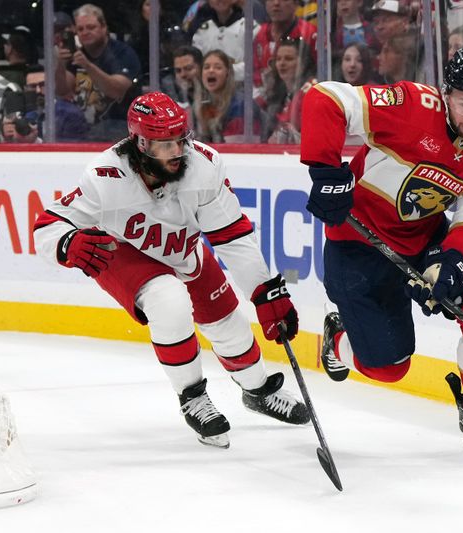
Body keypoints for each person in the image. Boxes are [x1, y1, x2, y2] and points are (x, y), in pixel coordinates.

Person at [33, 92, 309, 449]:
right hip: (122, 253)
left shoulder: (204, 166)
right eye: (164, 145)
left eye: (180, 140)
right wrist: (68, 243)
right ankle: (193, 397)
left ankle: (256, 390)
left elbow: (232, 237)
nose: (177, 152)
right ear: (140, 143)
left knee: (229, 325)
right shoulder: (105, 176)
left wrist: (265, 291)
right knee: (169, 299)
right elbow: (47, 225)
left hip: (182, 249)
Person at [299, 48, 463, 453]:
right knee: (389, 368)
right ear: (445, 94)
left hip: (424, 239)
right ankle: (338, 337)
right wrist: (325, 169)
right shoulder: (410, 105)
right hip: (358, 245)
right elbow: (327, 99)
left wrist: (453, 261)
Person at [54, 3, 141, 141]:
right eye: (80, 29)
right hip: (84, 130)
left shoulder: (122, 53)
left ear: (104, 27)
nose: (85, 32)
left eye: (91, 27)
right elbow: (63, 91)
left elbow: (116, 90)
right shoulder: (77, 55)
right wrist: (60, 65)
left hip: (120, 128)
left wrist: (87, 66)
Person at [261, 38, 316, 143]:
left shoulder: (310, 92)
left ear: (303, 63)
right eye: (278, 59)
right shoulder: (281, 94)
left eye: (289, 59)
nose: (282, 63)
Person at [253, 0, 317, 89]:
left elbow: (319, 72)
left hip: (301, 94)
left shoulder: (310, 33)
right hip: (267, 96)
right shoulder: (259, 33)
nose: (276, 3)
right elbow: (255, 71)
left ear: (296, 4)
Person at [193, 50, 248, 143]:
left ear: (228, 73)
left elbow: (237, 149)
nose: (211, 70)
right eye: (206, 67)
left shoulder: (240, 105)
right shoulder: (200, 104)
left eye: (218, 67)